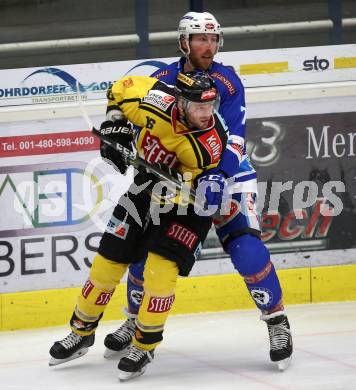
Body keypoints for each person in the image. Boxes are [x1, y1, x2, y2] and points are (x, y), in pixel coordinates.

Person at [104, 11, 293, 371]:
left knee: (247, 249)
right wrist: (117, 132)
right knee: (146, 254)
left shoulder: (227, 81)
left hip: (229, 176)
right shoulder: (162, 79)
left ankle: (277, 320)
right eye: (200, 39)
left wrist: (220, 175)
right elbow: (132, 111)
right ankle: (135, 322)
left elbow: (236, 136)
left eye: (213, 39)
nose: (209, 46)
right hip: (177, 181)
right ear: (184, 42)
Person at [49, 70, 229, 381]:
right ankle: (81, 333)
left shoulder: (208, 142)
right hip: (144, 191)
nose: (206, 114)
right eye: (199, 107)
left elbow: (209, 181)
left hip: (186, 208)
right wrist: (114, 124)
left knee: (159, 273)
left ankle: (144, 345)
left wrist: (209, 183)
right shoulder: (153, 98)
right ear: (181, 102)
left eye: (210, 107)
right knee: (106, 264)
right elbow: (117, 90)